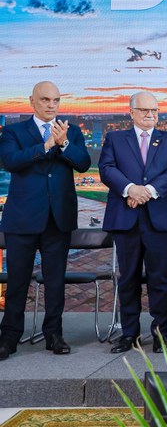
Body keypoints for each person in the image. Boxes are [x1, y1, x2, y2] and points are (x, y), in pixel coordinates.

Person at [0, 81, 90, 361]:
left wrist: (62, 143)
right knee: (17, 282)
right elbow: (10, 161)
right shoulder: (13, 131)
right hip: (22, 220)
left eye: (56, 100)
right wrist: (45, 145)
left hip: (57, 219)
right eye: (46, 100)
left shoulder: (71, 131)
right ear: (32, 101)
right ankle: (9, 337)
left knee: (55, 282)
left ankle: (54, 334)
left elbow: (83, 163)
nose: (52, 105)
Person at [98, 92, 167, 354]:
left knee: (160, 278)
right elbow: (107, 169)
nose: (150, 115)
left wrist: (148, 192)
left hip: (159, 219)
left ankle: (161, 333)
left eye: (154, 110)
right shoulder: (114, 138)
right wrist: (131, 189)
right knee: (128, 278)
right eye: (144, 110)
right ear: (131, 112)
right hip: (126, 218)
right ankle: (129, 334)